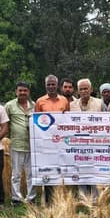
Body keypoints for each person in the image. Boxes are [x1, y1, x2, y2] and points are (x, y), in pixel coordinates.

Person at [35, 75, 69, 203]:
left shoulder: (64, 101)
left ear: (57, 85)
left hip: (61, 141)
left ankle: (61, 198)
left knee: (61, 169)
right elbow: (36, 122)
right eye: (48, 84)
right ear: (45, 86)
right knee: (49, 170)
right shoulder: (40, 101)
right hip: (46, 142)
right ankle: (49, 200)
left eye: (53, 84)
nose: (51, 86)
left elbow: (68, 119)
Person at [4, 81, 36, 205]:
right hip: (17, 145)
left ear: (29, 92)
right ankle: (16, 198)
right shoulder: (9, 105)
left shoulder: (34, 105)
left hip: (32, 145)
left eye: (25, 90)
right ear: (16, 92)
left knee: (31, 174)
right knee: (16, 174)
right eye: (20, 90)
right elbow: (5, 124)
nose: (22, 92)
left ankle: (31, 198)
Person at [71, 79, 103, 198]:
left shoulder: (100, 103)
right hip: (78, 144)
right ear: (78, 91)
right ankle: (83, 197)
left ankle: (96, 197)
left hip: (96, 143)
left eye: (86, 88)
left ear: (91, 89)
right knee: (80, 170)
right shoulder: (71, 105)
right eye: (81, 89)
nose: (84, 91)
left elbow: (108, 121)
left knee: (95, 170)